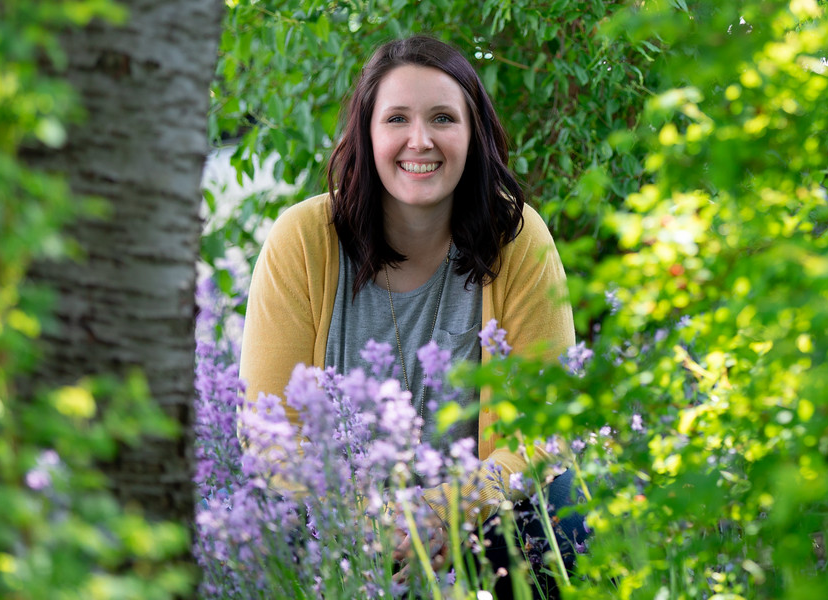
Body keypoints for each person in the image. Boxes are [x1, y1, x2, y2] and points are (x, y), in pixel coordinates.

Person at [237, 35, 583, 597]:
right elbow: (270, 434)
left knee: (561, 512)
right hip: (335, 520)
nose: (419, 141)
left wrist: (443, 510)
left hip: (475, 518)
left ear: (474, 137)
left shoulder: (516, 238)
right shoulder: (302, 241)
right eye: (396, 118)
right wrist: (374, 520)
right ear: (366, 136)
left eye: (443, 118)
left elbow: (546, 429)